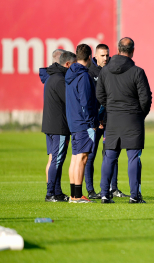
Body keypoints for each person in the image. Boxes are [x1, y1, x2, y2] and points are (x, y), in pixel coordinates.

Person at [96, 37, 152, 204]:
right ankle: (135, 196)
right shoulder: (137, 72)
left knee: (109, 156)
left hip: (112, 119)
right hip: (133, 119)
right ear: (132, 51)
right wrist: (139, 113)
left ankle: (105, 194)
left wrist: (111, 108)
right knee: (133, 157)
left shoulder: (105, 71)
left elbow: (99, 95)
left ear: (117, 49)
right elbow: (146, 99)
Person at [84, 44, 128, 199]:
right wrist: (96, 118)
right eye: (102, 55)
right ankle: (90, 190)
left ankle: (113, 188)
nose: (105, 58)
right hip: (95, 122)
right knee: (90, 155)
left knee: (111, 154)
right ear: (95, 56)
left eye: (107, 55)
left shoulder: (111, 71)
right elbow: (89, 99)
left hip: (110, 121)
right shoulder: (89, 73)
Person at [65, 44, 98, 203]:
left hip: (73, 121)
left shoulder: (70, 73)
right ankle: (77, 196)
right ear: (90, 57)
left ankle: (74, 194)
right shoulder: (84, 76)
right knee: (82, 158)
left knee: (75, 157)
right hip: (83, 123)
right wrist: (92, 122)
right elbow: (86, 102)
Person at [42, 51, 75, 202]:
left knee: (57, 159)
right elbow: (70, 102)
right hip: (59, 126)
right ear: (67, 64)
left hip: (51, 125)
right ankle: (51, 193)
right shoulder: (60, 80)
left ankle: (57, 192)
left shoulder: (52, 77)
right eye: (73, 66)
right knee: (57, 159)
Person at [39, 48, 65, 185]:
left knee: (52, 158)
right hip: (57, 123)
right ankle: (52, 191)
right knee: (56, 158)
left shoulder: (48, 77)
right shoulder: (57, 79)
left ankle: (52, 189)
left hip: (48, 121)